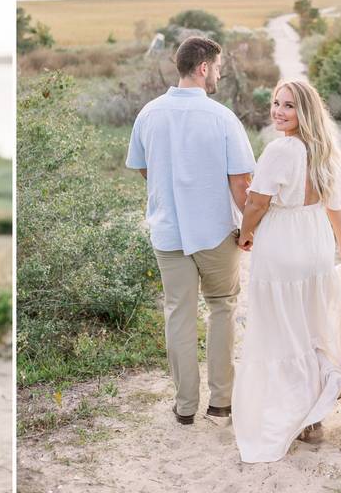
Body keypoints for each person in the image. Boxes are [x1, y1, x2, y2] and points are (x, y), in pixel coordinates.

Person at [232, 79, 341, 463]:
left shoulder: (281, 150)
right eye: (276, 102)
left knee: (281, 332)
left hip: (281, 245)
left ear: (304, 111)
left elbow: (258, 202)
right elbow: (334, 204)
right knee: (312, 329)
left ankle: (294, 416)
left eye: (289, 105)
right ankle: (313, 421)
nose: (278, 110)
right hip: (315, 245)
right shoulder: (324, 149)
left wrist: (246, 233)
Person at [126, 36, 255, 425]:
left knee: (178, 315)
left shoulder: (148, 113)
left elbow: (145, 170)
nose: (218, 74)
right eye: (216, 67)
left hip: (168, 234)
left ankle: (184, 407)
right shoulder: (221, 118)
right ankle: (220, 402)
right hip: (215, 233)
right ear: (203, 68)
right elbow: (241, 186)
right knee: (222, 308)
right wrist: (249, 229)